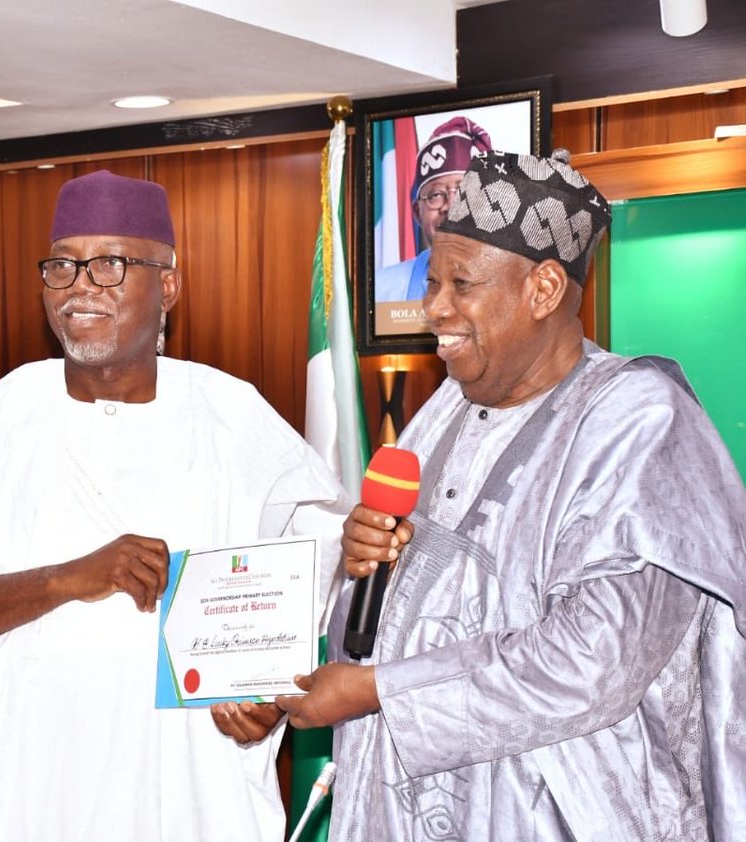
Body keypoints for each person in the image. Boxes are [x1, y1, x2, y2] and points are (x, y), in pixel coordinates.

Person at [277, 150, 746, 840]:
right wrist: (362, 565)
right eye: (433, 282)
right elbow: (392, 620)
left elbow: (596, 660)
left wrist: (380, 691)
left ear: (545, 288)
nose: (434, 310)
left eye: (461, 284)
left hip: (568, 813)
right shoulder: (444, 412)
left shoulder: (638, 418)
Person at [0, 169, 348, 842]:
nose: (79, 289)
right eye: (63, 267)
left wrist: (267, 697)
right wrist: (70, 578)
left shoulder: (233, 421)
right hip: (23, 772)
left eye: (110, 265)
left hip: (185, 779)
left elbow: (311, 576)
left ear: (168, 286)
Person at [374, 116, 491, 303]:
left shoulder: (513, 285)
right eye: (436, 194)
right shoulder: (381, 289)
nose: (451, 206)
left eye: (463, 191)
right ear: (417, 212)